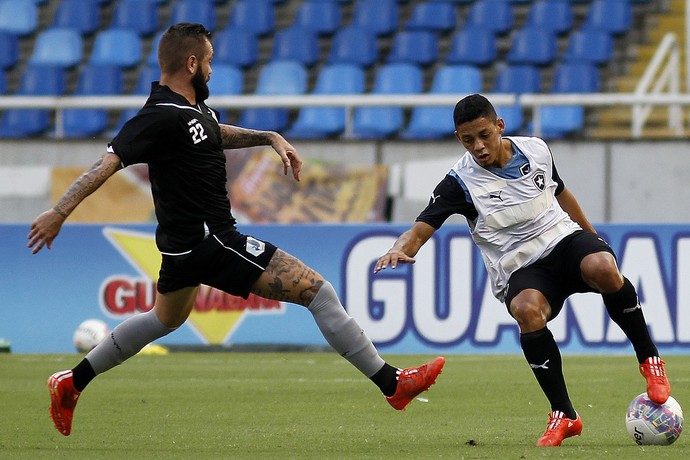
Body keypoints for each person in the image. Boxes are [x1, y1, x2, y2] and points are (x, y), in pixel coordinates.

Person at [28, 23, 445, 437]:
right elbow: (109, 162)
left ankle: (71, 382)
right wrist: (59, 212)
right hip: (213, 240)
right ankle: (393, 384)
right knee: (319, 293)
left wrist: (267, 136)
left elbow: (214, 136)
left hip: (181, 248)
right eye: (208, 62)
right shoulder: (158, 116)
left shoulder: (194, 111)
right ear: (192, 63)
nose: (212, 70)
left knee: (164, 319)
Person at [374, 94, 671, 447]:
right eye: (468, 140)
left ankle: (650, 359)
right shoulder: (458, 183)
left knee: (604, 267)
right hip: (519, 265)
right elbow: (421, 229)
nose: (479, 146)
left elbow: (560, 192)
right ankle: (565, 414)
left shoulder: (536, 149)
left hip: (562, 240)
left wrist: (591, 236)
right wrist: (398, 249)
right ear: (459, 139)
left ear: (500, 126)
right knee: (528, 310)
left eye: (484, 135)